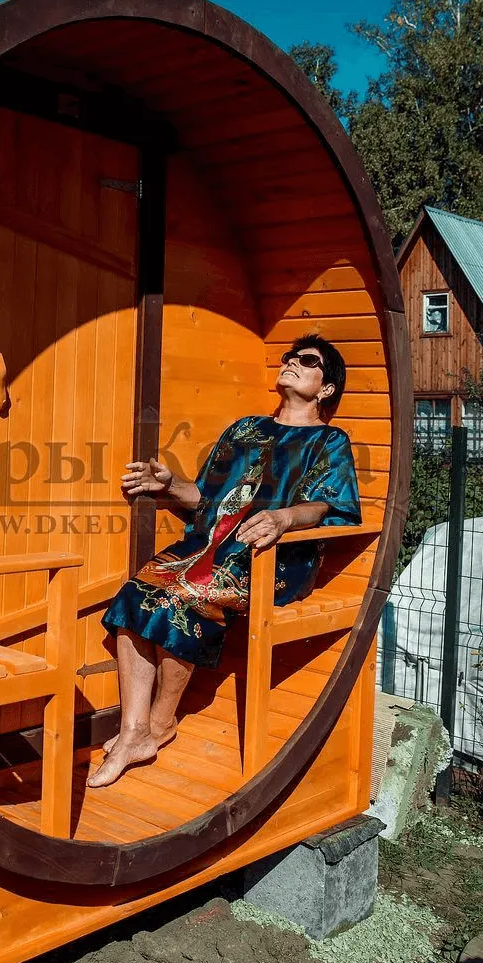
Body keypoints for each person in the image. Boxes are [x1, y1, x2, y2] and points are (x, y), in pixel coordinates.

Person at [87, 334, 361, 789]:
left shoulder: (328, 441)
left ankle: (158, 724)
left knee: (184, 597)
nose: (291, 362)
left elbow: (325, 506)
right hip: (210, 545)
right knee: (138, 591)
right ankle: (136, 731)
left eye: (306, 360)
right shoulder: (245, 429)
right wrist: (169, 483)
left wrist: (284, 517)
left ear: (327, 387)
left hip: (271, 558)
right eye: (289, 357)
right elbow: (204, 498)